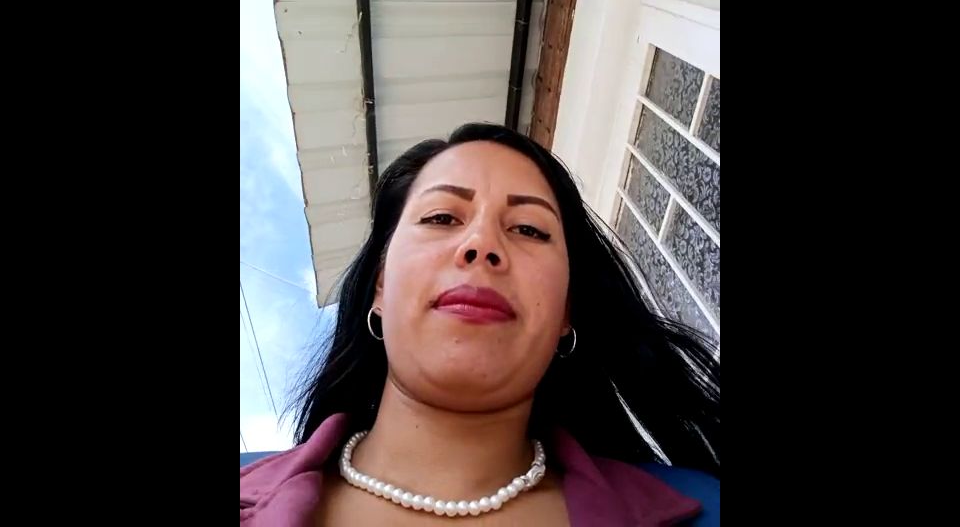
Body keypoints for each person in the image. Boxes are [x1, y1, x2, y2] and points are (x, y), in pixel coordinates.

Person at [240, 123, 719, 525]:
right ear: (380, 286)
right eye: (441, 217)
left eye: (528, 229)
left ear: (566, 312)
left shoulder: (705, 508)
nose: (482, 243)